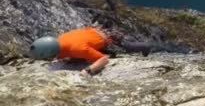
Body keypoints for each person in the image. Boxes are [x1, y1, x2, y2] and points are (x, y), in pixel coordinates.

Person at [29, 25, 171, 77]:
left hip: (108, 37)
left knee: (127, 47)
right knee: (80, 57)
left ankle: (145, 46)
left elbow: (103, 59)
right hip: (94, 33)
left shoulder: (76, 49)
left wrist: (89, 71)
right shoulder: (60, 39)